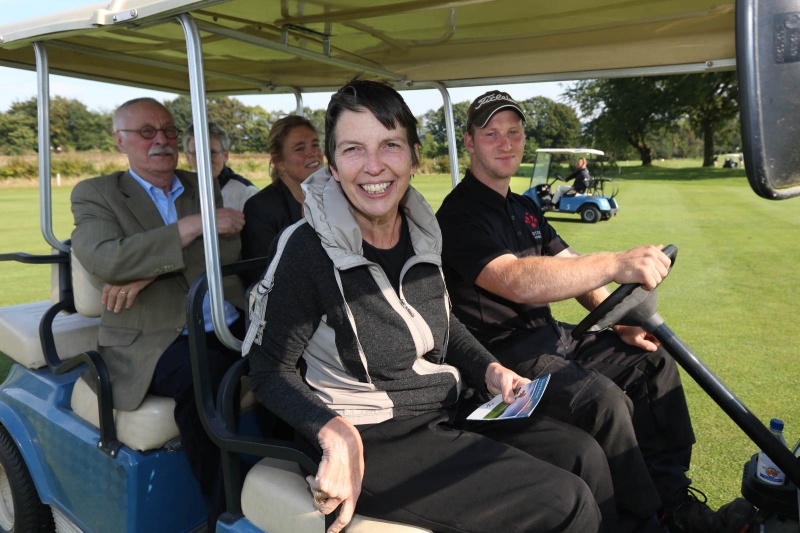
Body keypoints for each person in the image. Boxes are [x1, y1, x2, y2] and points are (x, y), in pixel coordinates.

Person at [245, 80, 617, 533]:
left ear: (415, 156)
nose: (374, 166)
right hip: (372, 432)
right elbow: (267, 371)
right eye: (353, 149)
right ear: (333, 163)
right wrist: (332, 430)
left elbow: (443, 322)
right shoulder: (305, 251)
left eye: (391, 145)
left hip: (442, 405)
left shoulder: (420, 231)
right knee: (565, 502)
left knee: (584, 456)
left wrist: (489, 370)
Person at [436, 90, 756, 533]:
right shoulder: (457, 215)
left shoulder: (523, 207)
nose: (505, 143)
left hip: (552, 337)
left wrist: (620, 316)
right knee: (604, 403)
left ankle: (673, 501)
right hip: (503, 357)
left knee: (653, 360)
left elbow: (569, 267)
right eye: (491, 134)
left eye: (513, 132)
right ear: (470, 143)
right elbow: (516, 279)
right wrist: (615, 261)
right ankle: (644, 522)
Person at [70, 98, 247, 526]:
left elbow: (229, 248)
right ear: (120, 141)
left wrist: (144, 273)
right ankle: (227, 512)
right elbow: (107, 261)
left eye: (168, 130)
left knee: (291, 361)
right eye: (147, 132)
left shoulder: (201, 182)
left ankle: (298, 480)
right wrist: (194, 226)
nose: (162, 140)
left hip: (223, 320)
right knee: (207, 379)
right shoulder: (96, 193)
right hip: (154, 337)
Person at [240, 115, 324, 263]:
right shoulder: (260, 208)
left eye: (315, 144)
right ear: (279, 163)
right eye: (300, 149)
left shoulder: (334, 196)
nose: (313, 153)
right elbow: (261, 272)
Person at [183, 121, 259, 211]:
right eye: (197, 153)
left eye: (212, 152)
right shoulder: (179, 189)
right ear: (187, 157)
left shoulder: (246, 193)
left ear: (225, 155)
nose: (205, 160)